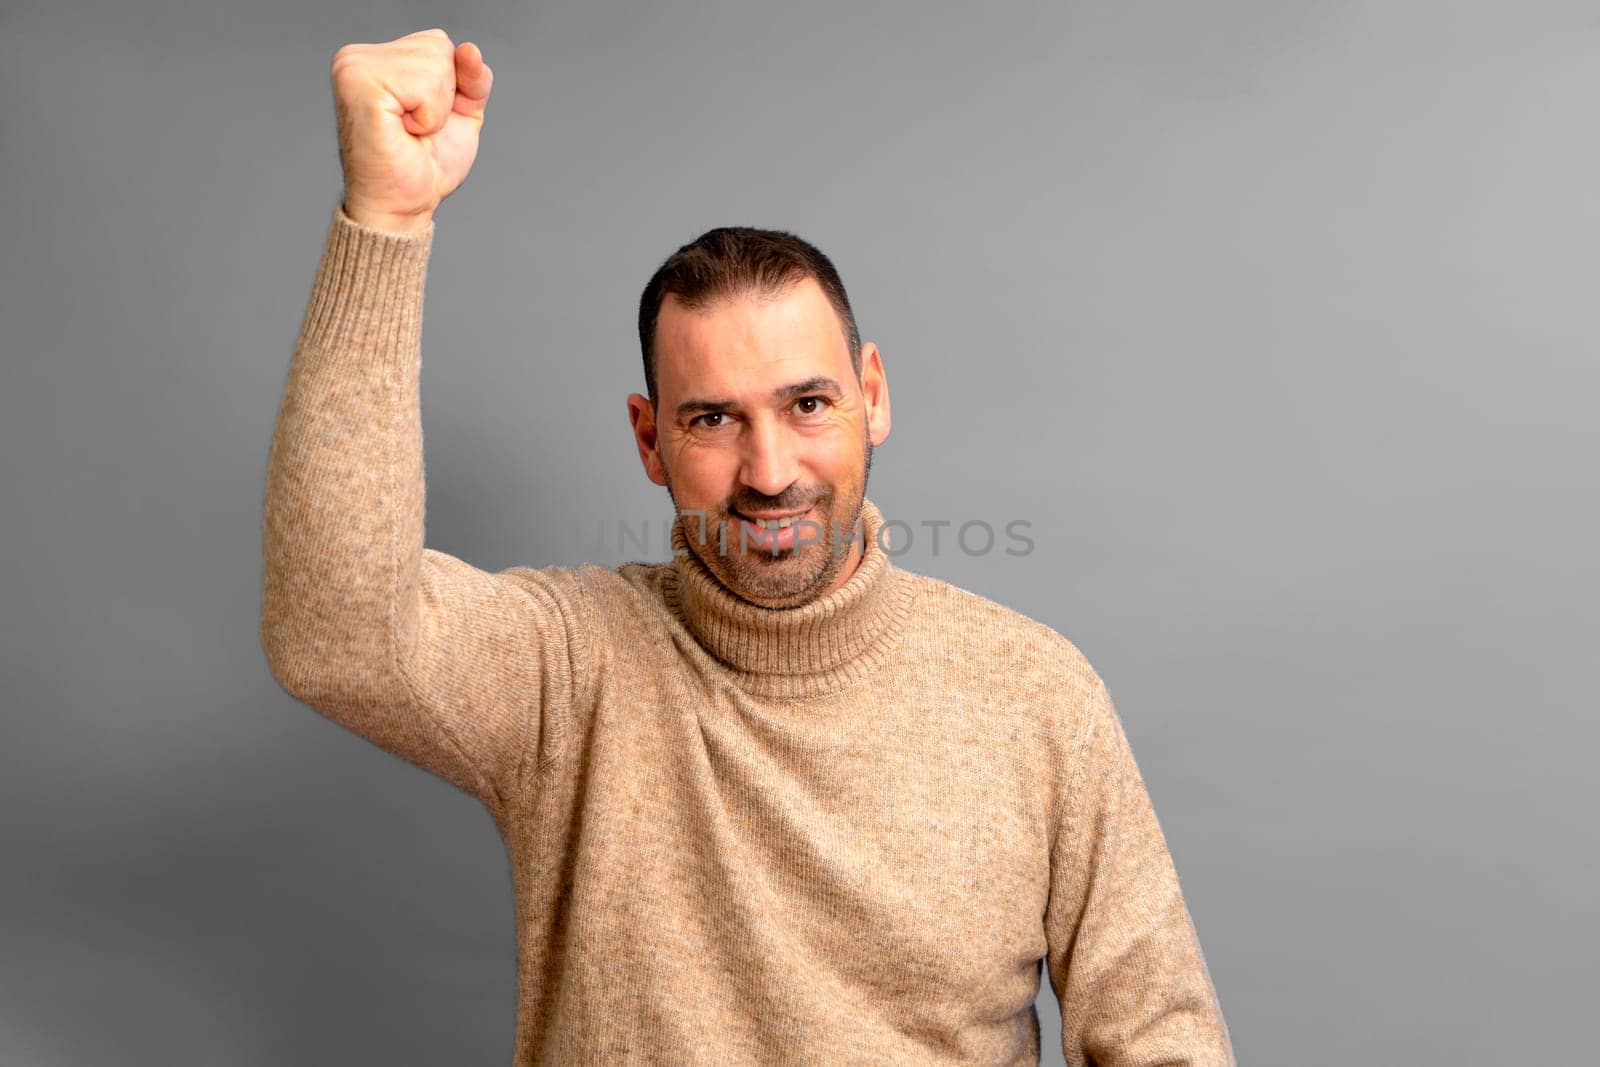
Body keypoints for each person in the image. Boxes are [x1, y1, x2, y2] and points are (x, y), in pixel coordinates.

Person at [259, 27, 1235, 1066]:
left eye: (807, 403)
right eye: (713, 419)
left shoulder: (1034, 692)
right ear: (649, 439)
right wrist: (387, 219)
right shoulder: (568, 670)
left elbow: (1163, 1042)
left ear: (872, 393)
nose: (769, 469)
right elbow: (335, 636)